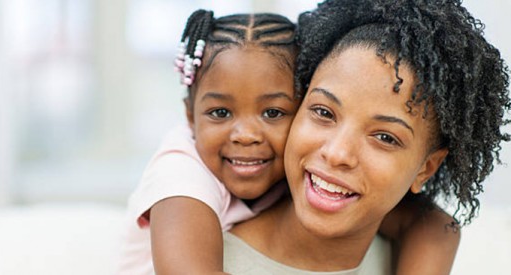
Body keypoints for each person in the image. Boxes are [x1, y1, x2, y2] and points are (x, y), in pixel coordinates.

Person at [118, 8, 463, 275]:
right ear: (189, 116)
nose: (246, 134)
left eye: (272, 113)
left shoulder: (300, 173)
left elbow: (436, 225)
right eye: (220, 113)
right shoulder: (180, 175)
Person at [222, 0, 509, 274]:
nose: (337, 153)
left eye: (385, 137)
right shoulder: (200, 257)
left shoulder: (412, 256)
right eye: (323, 112)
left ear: (426, 168)